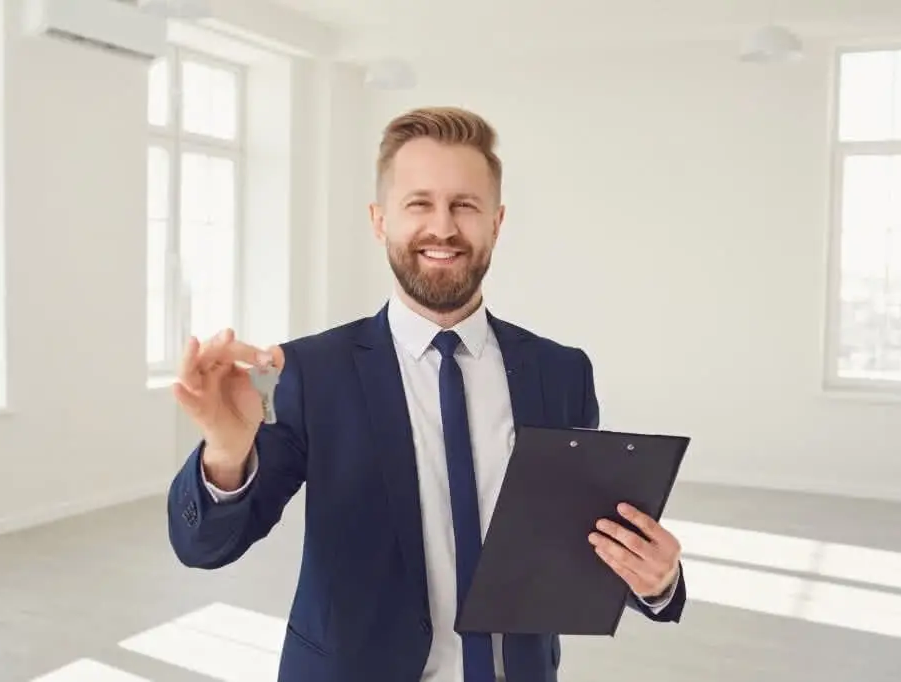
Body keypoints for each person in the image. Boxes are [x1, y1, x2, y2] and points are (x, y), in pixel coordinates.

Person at [168, 106, 686, 682]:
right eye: (419, 203)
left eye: (465, 205)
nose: (443, 227)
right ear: (379, 220)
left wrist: (658, 582)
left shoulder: (561, 372)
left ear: (497, 222)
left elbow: (575, 543)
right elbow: (205, 546)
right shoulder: (310, 372)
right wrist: (225, 451)